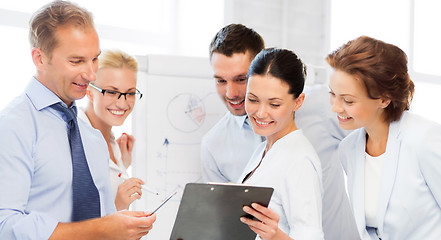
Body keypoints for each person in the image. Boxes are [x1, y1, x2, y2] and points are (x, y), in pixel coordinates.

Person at [0, 1, 155, 239]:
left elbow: (103, 218)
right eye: (76, 61)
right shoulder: (12, 126)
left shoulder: (90, 136)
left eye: (94, 59)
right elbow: (5, 226)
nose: (91, 74)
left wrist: (122, 227)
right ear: (40, 59)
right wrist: (103, 229)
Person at [201, 23, 359, 239]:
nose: (231, 93)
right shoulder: (263, 149)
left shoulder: (301, 153)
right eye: (253, 99)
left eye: (240, 79)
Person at [326, 35, 441, 239]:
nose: (335, 107)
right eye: (332, 94)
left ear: (384, 99)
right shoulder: (349, 148)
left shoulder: (424, 139)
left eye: (348, 101)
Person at [238, 47, 323, 239]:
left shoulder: (300, 161)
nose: (260, 113)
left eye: (274, 104)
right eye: (252, 99)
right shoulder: (264, 150)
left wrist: (275, 236)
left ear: (298, 101)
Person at [80, 50, 145, 211]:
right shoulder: (74, 141)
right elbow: (73, 223)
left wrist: (122, 164)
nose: (122, 104)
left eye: (130, 93)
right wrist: (118, 206)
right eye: (112, 92)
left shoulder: (112, 143)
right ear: (89, 91)